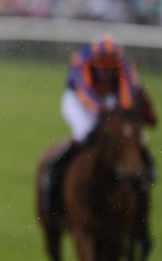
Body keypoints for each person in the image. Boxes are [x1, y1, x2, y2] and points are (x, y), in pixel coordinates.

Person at [43, 33, 157, 216]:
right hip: (79, 100)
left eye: (112, 69)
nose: (107, 73)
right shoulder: (82, 63)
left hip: (110, 99)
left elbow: (126, 98)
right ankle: (54, 174)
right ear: (95, 61)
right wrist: (103, 113)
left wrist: (121, 115)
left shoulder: (127, 67)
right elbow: (86, 96)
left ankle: (147, 169)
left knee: (134, 135)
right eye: (103, 68)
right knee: (85, 132)